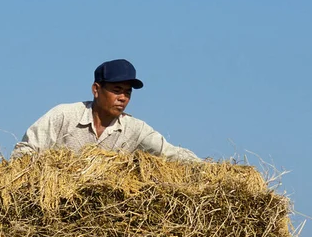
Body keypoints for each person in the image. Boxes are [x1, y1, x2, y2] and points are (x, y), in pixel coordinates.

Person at [11, 59, 200, 162]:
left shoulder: (135, 130)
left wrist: (210, 169)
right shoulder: (64, 116)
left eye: (127, 92)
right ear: (96, 90)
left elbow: (170, 153)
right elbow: (26, 150)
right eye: (117, 91)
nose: (123, 98)